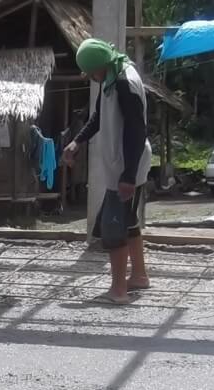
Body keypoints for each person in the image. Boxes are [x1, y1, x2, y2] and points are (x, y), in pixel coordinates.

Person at [62, 38, 152, 304]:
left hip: (127, 164)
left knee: (115, 227)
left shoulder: (125, 83)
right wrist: (77, 141)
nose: (90, 77)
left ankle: (118, 290)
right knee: (129, 221)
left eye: (91, 72)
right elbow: (98, 116)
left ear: (100, 65)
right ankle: (138, 276)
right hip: (123, 164)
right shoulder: (112, 77)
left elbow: (137, 131)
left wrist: (128, 176)